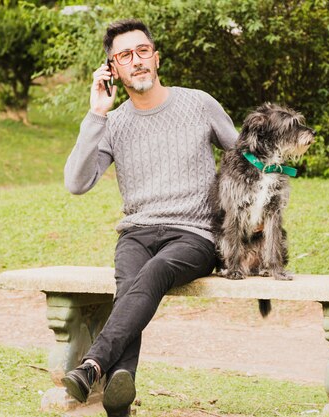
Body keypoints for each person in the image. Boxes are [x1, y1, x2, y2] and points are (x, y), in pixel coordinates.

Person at [62, 19, 238, 417]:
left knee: (153, 273)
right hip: (136, 233)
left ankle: (92, 365)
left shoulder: (198, 103)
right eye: (125, 56)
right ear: (113, 70)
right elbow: (75, 183)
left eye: (143, 51)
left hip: (194, 235)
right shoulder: (114, 123)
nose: (137, 61)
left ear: (156, 58)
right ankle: (120, 381)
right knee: (131, 283)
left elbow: (242, 156)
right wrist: (96, 114)